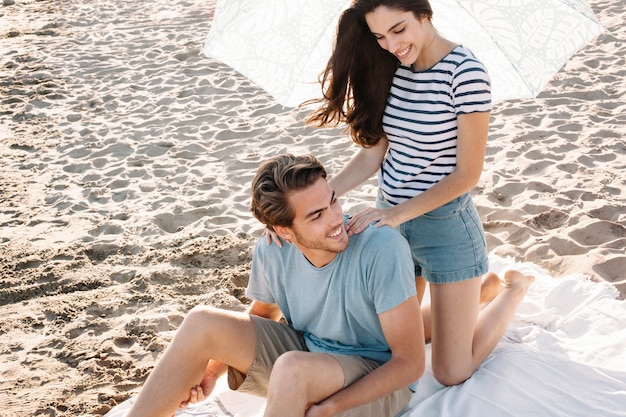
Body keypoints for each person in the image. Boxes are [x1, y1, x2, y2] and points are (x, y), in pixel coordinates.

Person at [300, 0, 535, 386]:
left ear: (424, 14)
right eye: (379, 36)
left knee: (450, 372)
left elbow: (467, 174)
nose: (391, 45)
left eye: (398, 29)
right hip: (390, 223)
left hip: (444, 227)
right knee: (387, 345)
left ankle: (512, 289)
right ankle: (478, 292)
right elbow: (372, 154)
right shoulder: (391, 68)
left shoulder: (466, 73)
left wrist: (395, 215)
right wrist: (320, 200)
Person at [126, 154, 425, 417]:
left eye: (332, 200)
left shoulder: (381, 247)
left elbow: (409, 364)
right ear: (284, 230)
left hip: (373, 375)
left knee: (292, 368)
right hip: (309, 357)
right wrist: (213, 371)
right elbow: (262, 314)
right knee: (201, 322)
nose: (336, 219)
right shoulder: (274, 249)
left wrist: (328, 408)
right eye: (316, 215)